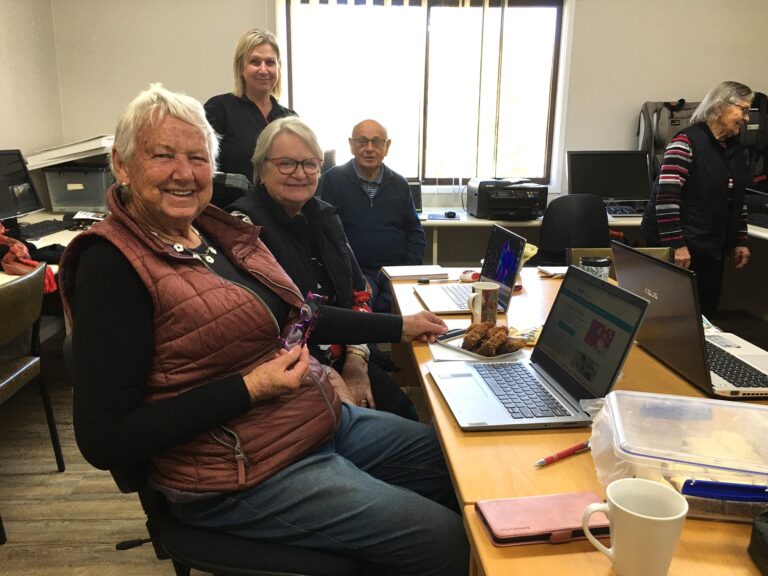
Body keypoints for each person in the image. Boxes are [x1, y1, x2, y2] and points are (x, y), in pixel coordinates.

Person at [58, 83, 469, 576]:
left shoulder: (216, 233)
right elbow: (105, 439)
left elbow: (299, 314)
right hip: (239, 472)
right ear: (121, 165)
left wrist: (400, 326)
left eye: (197, 157)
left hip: (312, 420)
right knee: (447, 542)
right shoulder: (112, 265)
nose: (184, 173)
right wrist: (251, 387)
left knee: (459, 465)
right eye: (162, 155)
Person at [229, 116, 419, 420]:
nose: (300, 174)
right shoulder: (244, 227)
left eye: (310, 164)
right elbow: (278, 324)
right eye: (286, 164)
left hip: (344, 351)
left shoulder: (326, 217)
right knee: (377, 429)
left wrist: (357, 359)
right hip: (291, 369)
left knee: (407, 414)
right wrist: (328, 374)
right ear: (262, 168)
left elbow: (359, 293)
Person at [640, 81, 753, 317]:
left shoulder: (733, 149)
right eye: (743, 110)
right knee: (671, 317)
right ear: (720, 107)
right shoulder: (685, 143)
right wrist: (676, 245)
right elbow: (666, 198)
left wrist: (739, 239)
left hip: (711, 246)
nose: (746, 118)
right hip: (679, 246)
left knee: (704, 314)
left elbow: (737, 198)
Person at [320, 119, 425, 313]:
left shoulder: (400, 183)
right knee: (364, 317)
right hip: (357, 273)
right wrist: (354, 277)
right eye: (362, 141)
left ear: (387, 146)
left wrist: (406, 271)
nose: (369, 148)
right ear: (351, 145)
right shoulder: (333, 180)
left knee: (413, 313)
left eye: (376, 142)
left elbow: (415, 233)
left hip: (396, 271)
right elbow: (328, 237)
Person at [205, 28, 296, 182]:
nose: (263, 70)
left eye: (270, 62)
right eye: (255, 62)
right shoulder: (218, 109)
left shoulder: (290, 118)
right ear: (241, 67)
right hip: (233, 198)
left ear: (278, 68)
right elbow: (204, 167)